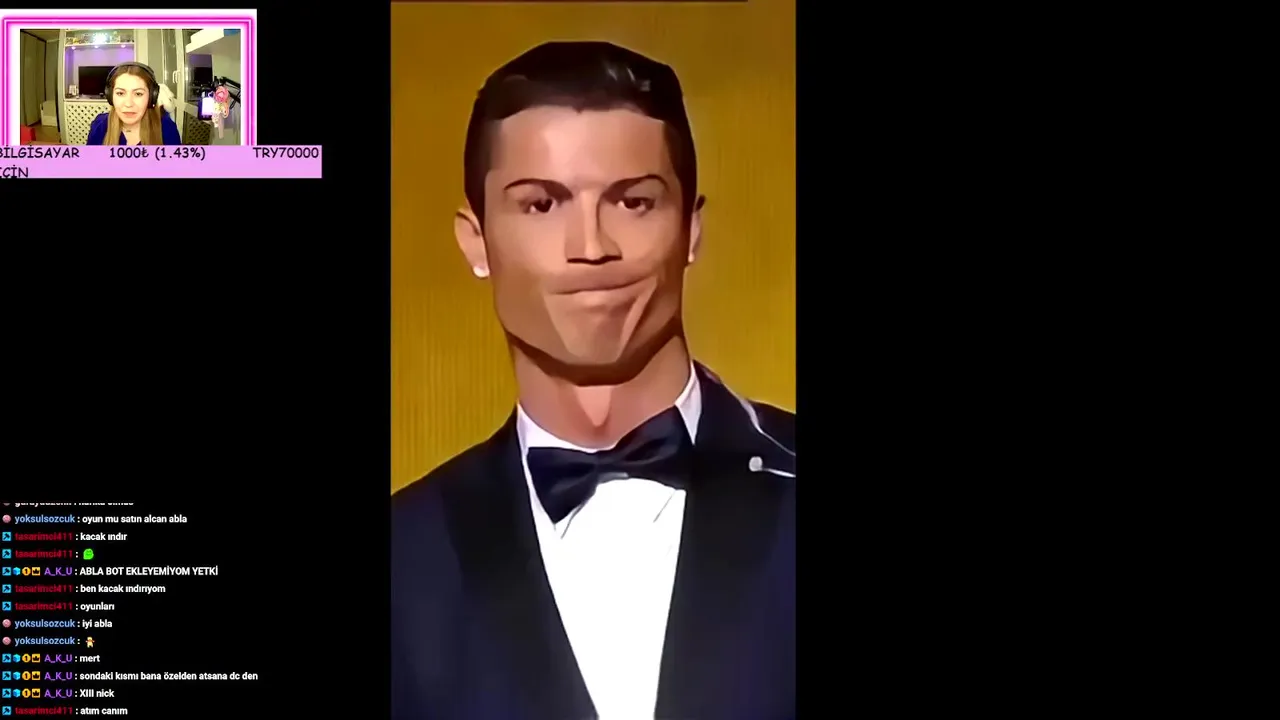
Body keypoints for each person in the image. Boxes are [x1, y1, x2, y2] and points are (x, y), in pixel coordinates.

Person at [391, 41, 795, 720]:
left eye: (634, 202)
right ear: (475, 240)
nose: (591, 248)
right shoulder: (405, 558)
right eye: (541, 205)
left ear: (691, 230)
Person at [85, 63, 181, 146]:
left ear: (152, 97)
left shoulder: (167, 128)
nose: (128, 104)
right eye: (120, 93)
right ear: (110, 96)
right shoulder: (100, 125)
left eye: (138, 94)